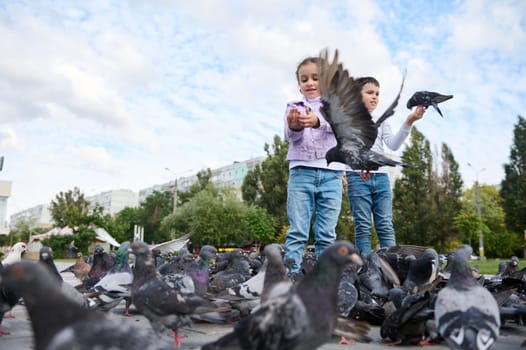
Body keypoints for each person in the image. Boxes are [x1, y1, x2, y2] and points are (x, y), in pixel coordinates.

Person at [346, 76, 425, 254]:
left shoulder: (382, 120)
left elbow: (393, 145)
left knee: (385, 225)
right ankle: (367, 269)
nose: (375, 97)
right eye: (369, 93)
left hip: (381, 178)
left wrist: (409, 121)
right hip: (357, 177)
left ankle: (392, 266)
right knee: (363, 226)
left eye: (377, 94)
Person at [283, 56, 347, 273]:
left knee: (327, 232)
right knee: (298, 229)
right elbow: (291, 138)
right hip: (301, 172)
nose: (309, 83)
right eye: (304, 79)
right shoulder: (294, 107)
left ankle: (324, 277)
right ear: (299, 85)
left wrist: (318, 121)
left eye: (315, 78)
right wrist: (295, 127)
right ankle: (290, 275)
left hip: (332, 175)